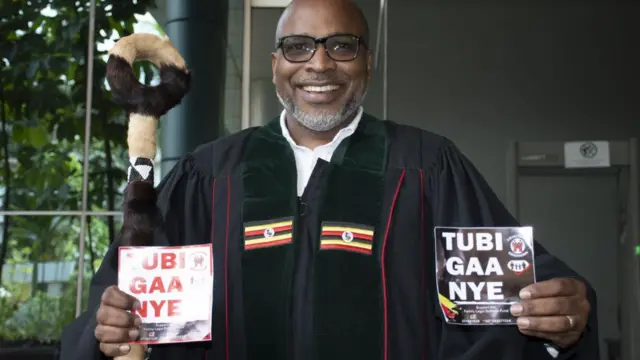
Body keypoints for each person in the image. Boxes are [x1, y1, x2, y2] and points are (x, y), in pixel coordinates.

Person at [62, 0, 598, 359]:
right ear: (275, 66)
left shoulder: (427, 165)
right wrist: (106, 330)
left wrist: (563, 321)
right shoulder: (212, 172)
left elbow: (514, 290)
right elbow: (126, 292)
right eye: (298, 47)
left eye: (342, 46)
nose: (319, 64)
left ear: (368, 63)